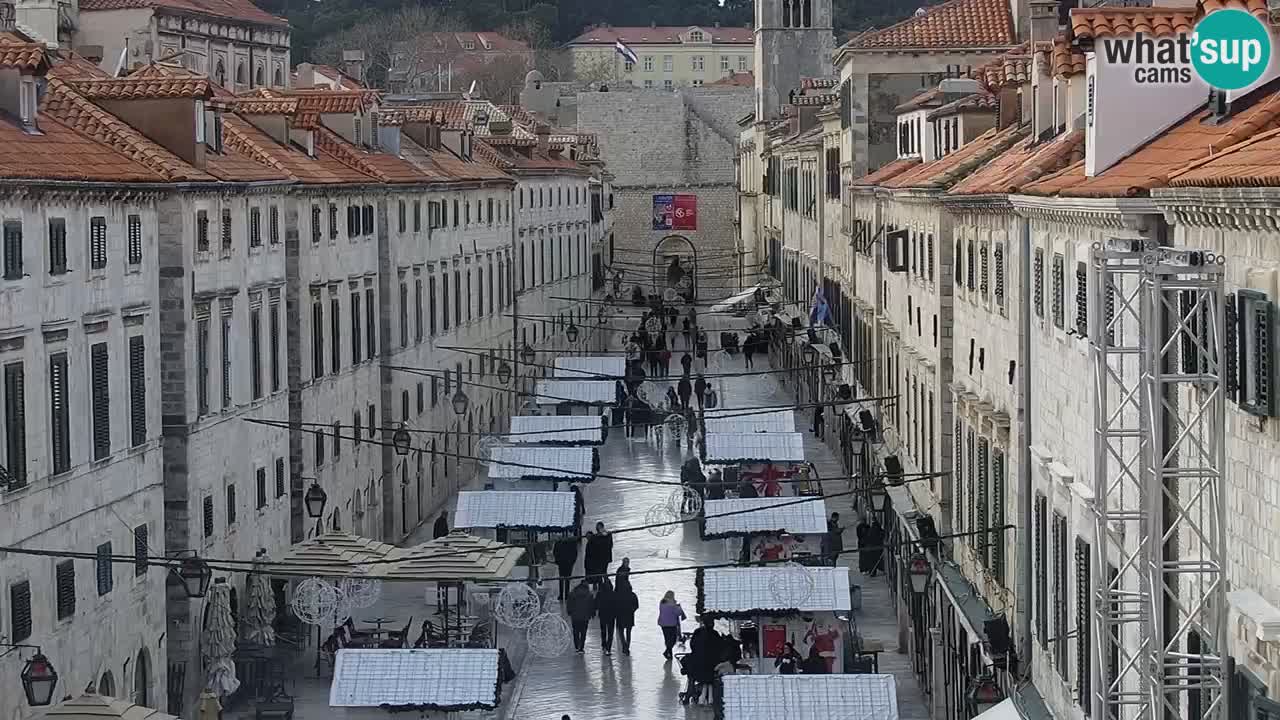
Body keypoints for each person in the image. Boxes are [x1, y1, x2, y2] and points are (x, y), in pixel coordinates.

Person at [567, 581, 596, 653]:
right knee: (583, 632)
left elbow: (569, 604)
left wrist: (569, 612)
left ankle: (576, 646)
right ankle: (581, 647)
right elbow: (592, 605)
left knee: (576, 631)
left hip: (575, 616)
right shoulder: (589, 594)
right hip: (585, 617)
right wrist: (592, 614)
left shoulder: (572, 593)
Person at [614, 574, 639, 655]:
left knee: (621, 632)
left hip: (620, 616)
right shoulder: (633, 595)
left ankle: (624, 645)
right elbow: (636, 606)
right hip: (629, 616)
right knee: (628, 632)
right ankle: (627, 646)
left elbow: (615, 605)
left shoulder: (618, 595)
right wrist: (631, 610)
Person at [658, 590, 687, 659]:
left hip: (663, 624)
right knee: (673, 639)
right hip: (672, 624)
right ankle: (667, 652)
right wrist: (678, 606)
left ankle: (669, 654)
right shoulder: (673, 605)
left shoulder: (662, 603)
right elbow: (678, 613)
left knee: (667, 639)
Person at [584, 522, 613, 588]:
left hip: (601, 559)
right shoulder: (605, 536)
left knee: (601, 573)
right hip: (602, 558)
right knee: (602, 573)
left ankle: (604, 586)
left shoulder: (600, 537)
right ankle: (606, 586)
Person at [554, 536, 580, 601]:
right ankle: (566, 594)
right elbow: (575, 554)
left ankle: (561, 594)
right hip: (568, 563)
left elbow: (555, 552)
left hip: (561, 563)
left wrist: (557, 561)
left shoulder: (559, 543)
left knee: (561, 578)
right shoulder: (572, 543)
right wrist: (572, 562)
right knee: (567, 579)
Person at [595, 578, 617, 654]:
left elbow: (596, 604)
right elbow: (617, 605)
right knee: (610, 633)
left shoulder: (600, 594)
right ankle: (608, 647)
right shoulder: (614, 594)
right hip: (612, 616)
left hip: (603, 615)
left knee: (603, 631)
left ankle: (604, 645)